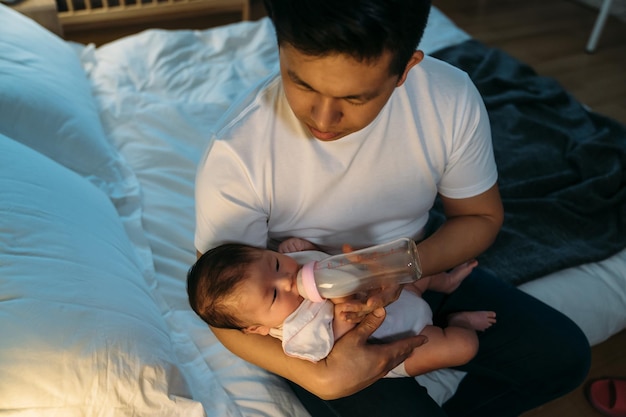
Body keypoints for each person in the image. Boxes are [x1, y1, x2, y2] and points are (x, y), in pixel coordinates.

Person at [193, 0, 591, 415]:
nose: (323, 118)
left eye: (354, 97)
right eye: (303, 83)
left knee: (563, 358)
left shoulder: (447, 99)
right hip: (318, 323)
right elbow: (224, 308)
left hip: (417, 264)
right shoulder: (238, 153)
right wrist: (323, 378)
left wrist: (402, 269)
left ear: (406, 70)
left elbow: (481, 217)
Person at [187, 240, 496, 377]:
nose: (286, 281)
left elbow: (328, 260)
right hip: (399, 341)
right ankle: (460, 321)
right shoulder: (298, 336)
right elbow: (336, 349)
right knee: (462, 347)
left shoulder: (298, 266)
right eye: (272, 296)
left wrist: (300, 245)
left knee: (411, 269)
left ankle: (444, 282)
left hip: (397, 297)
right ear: (257, 328)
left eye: (276, 263)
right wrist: (340, 311)